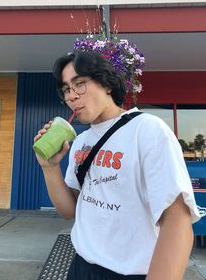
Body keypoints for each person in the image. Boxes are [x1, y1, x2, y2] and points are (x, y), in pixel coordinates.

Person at [34, 50, 200, 280]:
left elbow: (178, 221)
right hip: (81, 265)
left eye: (79, 84)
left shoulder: (147, 130)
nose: (71, 96)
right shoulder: (81, 140)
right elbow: (69, 210)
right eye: (66, 90)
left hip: (129, 273)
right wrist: (49, 167)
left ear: (107, 84)